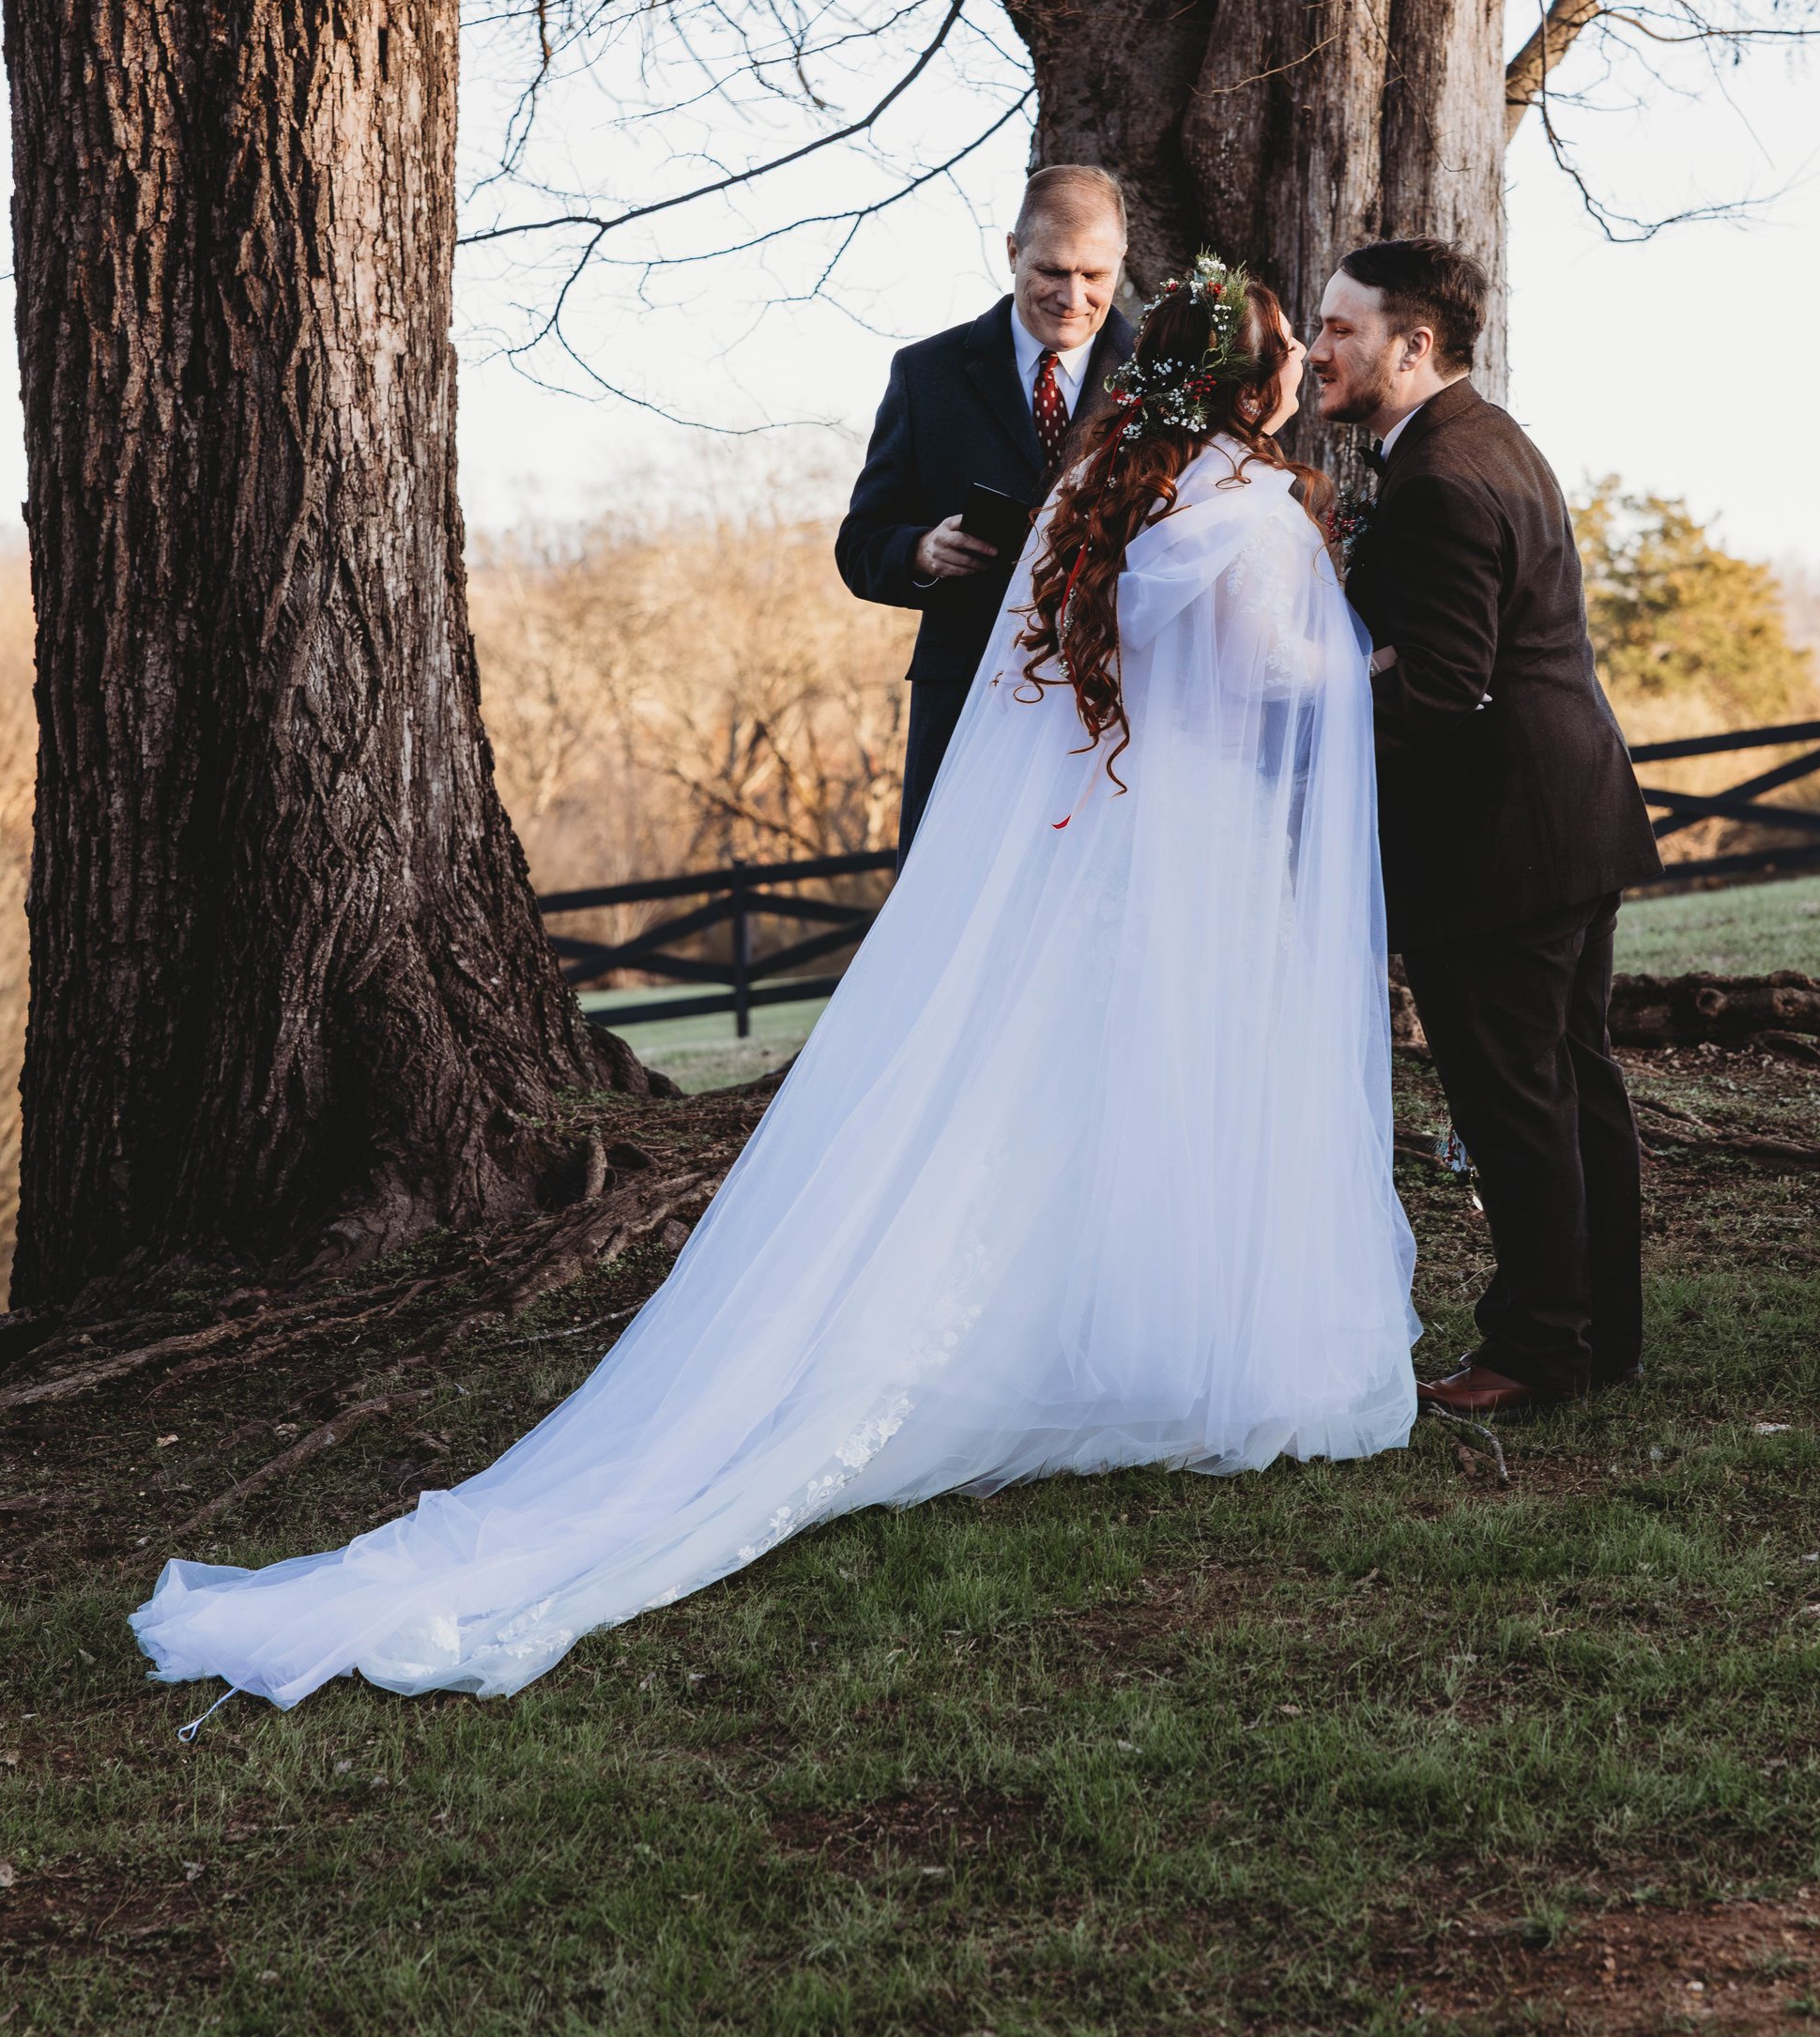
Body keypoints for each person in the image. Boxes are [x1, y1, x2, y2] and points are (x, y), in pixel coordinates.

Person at [132, 261, 1417, 1709]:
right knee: (1178, 1084)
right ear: (1251, 386)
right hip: (1190, 840)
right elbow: (1276, 683)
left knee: (1062, 1097)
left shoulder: (1106, 490)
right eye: (1292, 352)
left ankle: (1112, 1339)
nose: (1312, 362)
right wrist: (1363, 651)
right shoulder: (1244, 514)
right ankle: (1193, 1351)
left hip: (1109, 840)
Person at [1311, 237, 1660, 1419]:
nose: (1320, 346)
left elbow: (1442, 685)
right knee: (1573, 1081)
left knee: (1517, 1102)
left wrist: (1305, 710)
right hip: (1573, 817)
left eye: (1342, 328)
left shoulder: (1443, 480)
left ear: (1413, 347)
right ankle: (1601, 1331)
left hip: (1499, 847)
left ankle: (1533, 1352)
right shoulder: (1488, 436)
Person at [837, 164, 1135, 851]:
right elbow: (859, 544)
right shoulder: (926, 374)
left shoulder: (1166, 375)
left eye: (1095, 274)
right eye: (1052, 270)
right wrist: (917, 550)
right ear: (1011, 252)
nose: (1074, 296)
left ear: (1121, 261)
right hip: (968, 705)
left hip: (1110, 721)